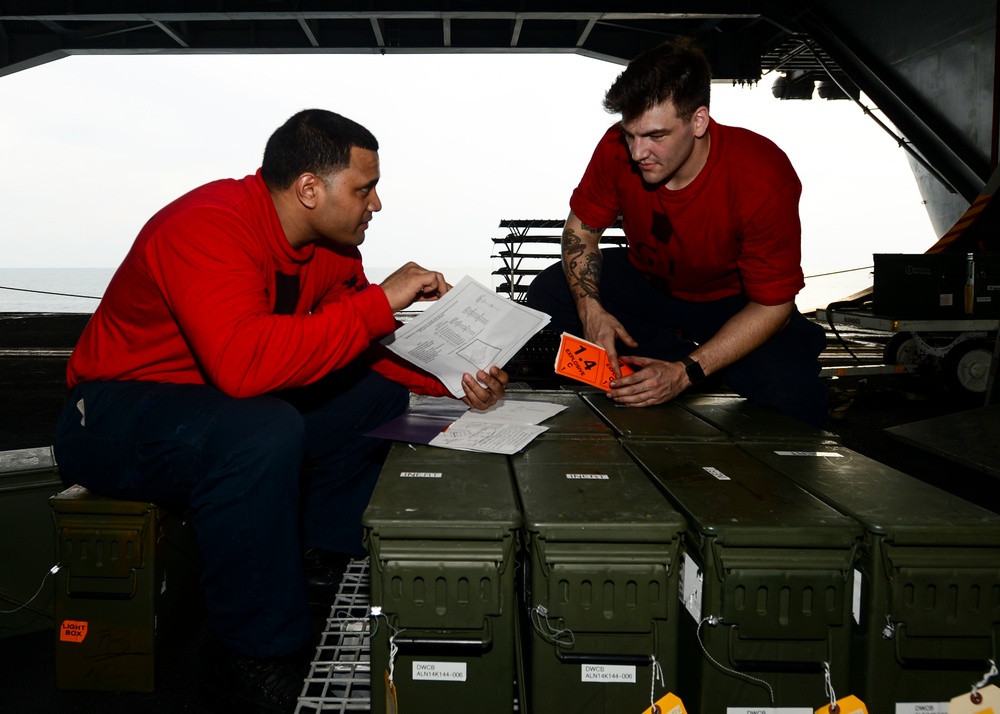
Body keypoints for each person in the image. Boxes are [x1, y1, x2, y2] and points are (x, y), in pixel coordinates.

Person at [53, 108, 508, 714]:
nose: (377, 204)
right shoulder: (207, 227)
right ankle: (250, 658)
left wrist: (454, 381)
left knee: (371, 395)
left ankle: (318, 567)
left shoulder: (333, 249)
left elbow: (358, 343)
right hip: (109, 412)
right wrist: (381, 300)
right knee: (261, 431)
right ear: (310, 190)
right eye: (365, 188)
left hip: (208, 406)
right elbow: (245, 369)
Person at [526, 38, 828, 428]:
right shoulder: (617, 149)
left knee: (794, 398)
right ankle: (670, 366)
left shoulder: (762, 176)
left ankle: (696, 368)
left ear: (698, 121)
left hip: (733, 300)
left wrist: (686, 372)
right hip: (651, 283)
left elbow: (774, 305)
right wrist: (592, 312)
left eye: (655, 136)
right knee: (549, 293)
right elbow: (580, 231)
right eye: (630, 134)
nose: (637, 153)